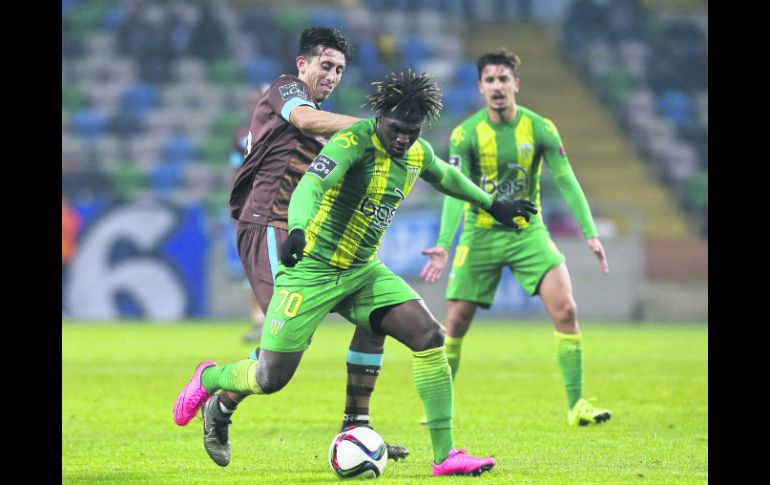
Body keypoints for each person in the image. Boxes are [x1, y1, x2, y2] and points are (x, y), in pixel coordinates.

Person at [174, 69, 537, 476]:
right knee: (270, 376)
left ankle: (445, 455)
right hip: (312, 270)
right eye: (397, 129)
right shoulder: (353, 142)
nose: (404, 139)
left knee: (429, 335)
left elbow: (447, 177)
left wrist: (493, 204)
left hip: (362, 272)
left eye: (412, 131)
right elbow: (310, 187)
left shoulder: (415, 153)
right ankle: (211, 380)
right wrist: (296, 230)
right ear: (380, 118)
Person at [173, 27, 410, 467]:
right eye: (326, 65)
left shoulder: (325, 121)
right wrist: (373, 127)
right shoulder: (287, 91)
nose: (333, 75)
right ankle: (214, 391)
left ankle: (356, 429)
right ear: (303, 64)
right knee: (278, 357)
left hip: (305, 232)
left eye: (340, 69)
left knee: (373, 312)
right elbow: (304, 121)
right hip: (266, 223)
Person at [420, 49, 612, 427]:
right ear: (480, 87)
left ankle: (576, 406)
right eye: (490, 79)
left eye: (503, 79)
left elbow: (566, 179)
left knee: (567, 310)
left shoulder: (541, 128)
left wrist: (589, 232)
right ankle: (438, 411)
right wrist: (444, 243)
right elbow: (455, 191)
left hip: (528, 233)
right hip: (481, 235)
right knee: (455, 323)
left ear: (515, 85)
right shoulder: (466, 134)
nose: (497, 86)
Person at [62, 195, 81, 315]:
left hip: (67, 256)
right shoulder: (70, 216)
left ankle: (65, 308)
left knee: (66, 283)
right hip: (67, 255)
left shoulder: (71, 216)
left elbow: (73, 232)